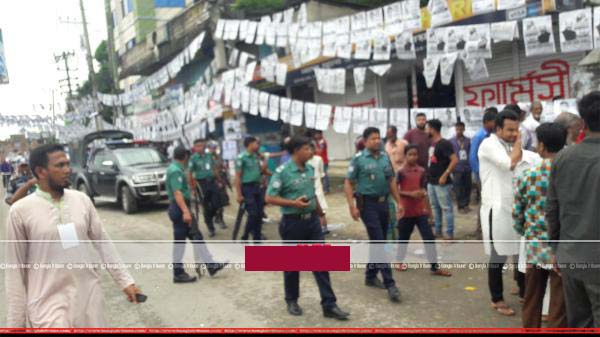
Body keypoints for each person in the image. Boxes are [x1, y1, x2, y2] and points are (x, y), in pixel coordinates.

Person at [6, 144, 142, 327]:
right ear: (40, 171)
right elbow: (15, 270)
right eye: (60, 165)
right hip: (47, 307)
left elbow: (103, 243)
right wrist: (16, 324)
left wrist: (125, 281)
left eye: (67, 164)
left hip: (89, 301)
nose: (67, 170)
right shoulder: (20, 212)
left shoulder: (81, 200)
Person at [265, 136, 350, 320]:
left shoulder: (310, 169)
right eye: (307, 149)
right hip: (292, 223)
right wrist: (293, 203)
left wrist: (320, 214)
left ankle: (329, 304)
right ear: (296, 151)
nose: (311, 152)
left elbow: (313, 194)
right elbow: (270, 198)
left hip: (311, 223)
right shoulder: (282, 172)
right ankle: (292, 300)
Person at [547, 92, 600, 327]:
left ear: (584, 123)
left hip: (571, 258)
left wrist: (555, 249)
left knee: (579, 322)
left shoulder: (562, 158)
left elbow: (552, 209)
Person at [513, 123, 568, 328]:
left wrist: (526, 231)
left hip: (535, 246)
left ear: (542, 146)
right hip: (561, 248)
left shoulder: (527, 176)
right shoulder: (569, 174)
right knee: (559, 303)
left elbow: (517, 213)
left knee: (532, 298)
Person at [344, 127, 404, 303]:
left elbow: (391, 180)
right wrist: (351, 206)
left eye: (379, 138)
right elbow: (348, 183)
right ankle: (390, 284)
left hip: (384, 203)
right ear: (365, 141)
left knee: (378, 240)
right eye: (373, 139)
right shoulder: (358, 160)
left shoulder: (385, 157)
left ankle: (370, 275)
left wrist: (399, 201)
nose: (377, 141)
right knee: (380, 241)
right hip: (367, 205)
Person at [478, 110, 523, 316]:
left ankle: (522, 289)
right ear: (498, 129)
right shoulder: (489, 144)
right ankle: (497, 298)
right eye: (510, 130)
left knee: (519, 250)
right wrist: (520, 142)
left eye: (517, 129)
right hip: (495, 209)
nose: (514, 133)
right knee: (499, 256)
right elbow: (510, 163)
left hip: (514, 206)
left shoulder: (508, 144)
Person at [167, 146, 227, 283]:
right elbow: (177, 193)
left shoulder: (177, 169)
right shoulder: (175, 171)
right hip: (179, 209)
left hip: (182, 208)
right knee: (180, 241)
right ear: (185, 157)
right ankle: (178, 273)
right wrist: (186, 211)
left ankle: (210, 265)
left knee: (197, 236)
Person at [396, 145, 452, 277]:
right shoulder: (400, 172)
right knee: (403, 238)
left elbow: (423, 192)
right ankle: (399, 261)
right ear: (405, 156)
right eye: (410, 154)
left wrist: (430, 214)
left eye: (415, 154)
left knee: (429, 238)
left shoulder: (421, 171)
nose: (413, 157)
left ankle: (434, 267)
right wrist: (410, 194)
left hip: (420, 211)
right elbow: (395, 191)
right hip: (406, 211)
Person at [426, 119, 458, 240]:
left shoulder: (444, 144)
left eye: (428, 128)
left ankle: (449, 233)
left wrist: (445, 175)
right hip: (432, 181)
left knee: (446, 208)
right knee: (435, 207)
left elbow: (454, 160)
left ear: (433, 129)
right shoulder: (432, 144)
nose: (426, 131)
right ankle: (438, 231)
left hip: (442, 182)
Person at [469, 107, 498, 239]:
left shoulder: (493, 135)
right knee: (485, 202)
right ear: (487, 122)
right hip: (483, 176)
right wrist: (480, 175)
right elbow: (473, 158)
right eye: (494, 122)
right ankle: (481, 230)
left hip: (492, 174)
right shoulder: (479, 136)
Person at [188, 139, 221, 238]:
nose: (199, 148)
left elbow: (214, 168)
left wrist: (219, 180)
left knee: (216, 204)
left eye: (201, 146)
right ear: (194, 147)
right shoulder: (193, 158)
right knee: (206, 206)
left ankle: (211, 217)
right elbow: (190, 174)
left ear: (204, 146)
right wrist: (193, 189)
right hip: (201, 184)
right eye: (197, 146)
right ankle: (210, 227)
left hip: (212, 181)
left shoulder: (209, 156)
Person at [236, 137, 266, 242]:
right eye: (256, 143)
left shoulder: (256, 156)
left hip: (257, 187)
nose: (257, 146)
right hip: (247, 188)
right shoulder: (241, 157)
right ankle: (245, 236)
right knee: (252, 214)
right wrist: (239, 194)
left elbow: (262, 171)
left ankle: (257, 238)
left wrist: (264, 160)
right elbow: (238, 177)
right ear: (250, 144)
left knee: (259, 214)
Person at [450, 121, 472, 214]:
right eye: (457, 129)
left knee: (467, 186)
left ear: (464, 129)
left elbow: (470, 153)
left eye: (461, 129)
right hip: (457, 167)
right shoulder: (451, 141)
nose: (459, 131)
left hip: (467, 167)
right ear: (455, 129)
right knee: (458, 187)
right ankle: (460, 206)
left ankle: (466, 204)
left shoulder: (468, 140)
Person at [308, 142, 329, 235]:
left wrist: (323, 186)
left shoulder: (318, 159)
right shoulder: (304, 161)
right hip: (307, 187)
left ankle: (324, 227)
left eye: (312, 149)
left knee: (321, 208)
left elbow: (322, 173)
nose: (310, 151)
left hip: (317, 186)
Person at [208, 141, 229, 230]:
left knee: (222, 201)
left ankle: (220, 218)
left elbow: (223, 167)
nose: (213, 149)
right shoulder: (207, 158)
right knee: (213, 202)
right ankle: (215, 217)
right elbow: (212, 170)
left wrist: (224, 168)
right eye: (212, 148)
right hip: (212, 181)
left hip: (221, 180)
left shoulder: (219, 157)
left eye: (215, 147)